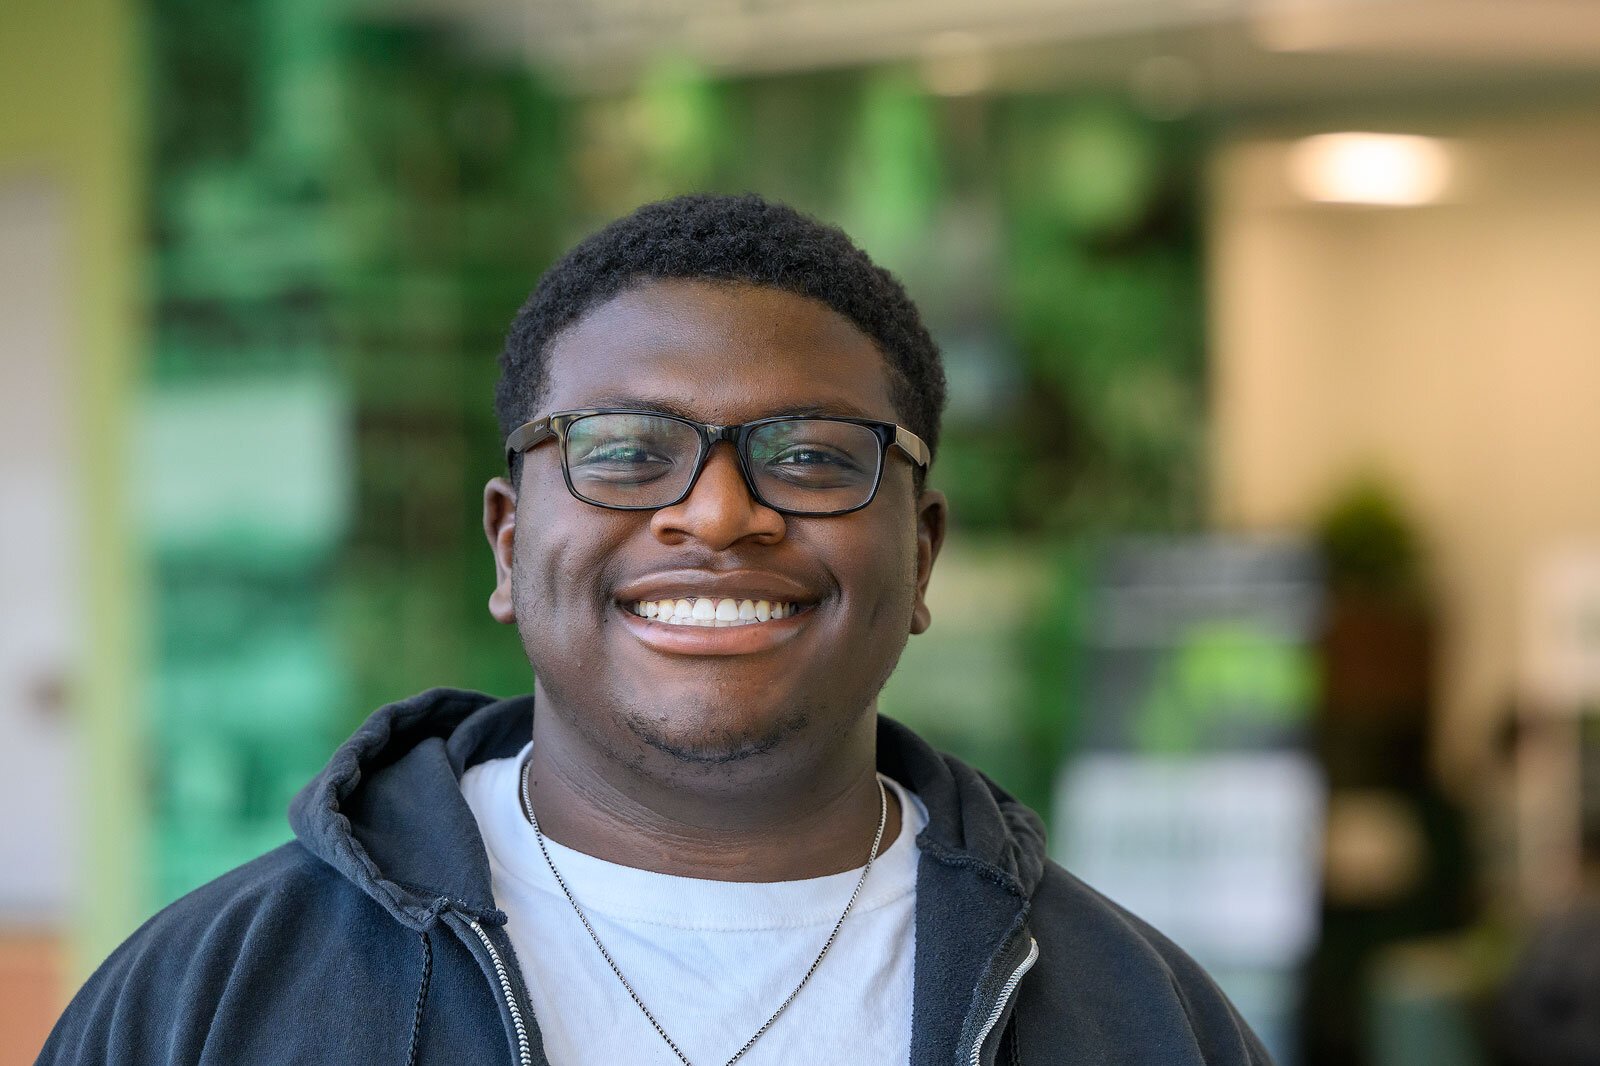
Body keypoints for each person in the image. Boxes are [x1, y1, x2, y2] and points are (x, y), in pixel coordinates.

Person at [41, 194, 1271, 1065]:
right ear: (508, 544)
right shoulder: (208, 999)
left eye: (809, 455)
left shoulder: (1143, 1019)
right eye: (626, 451)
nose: (719, 513)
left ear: (921, 552)